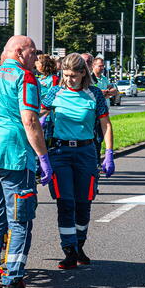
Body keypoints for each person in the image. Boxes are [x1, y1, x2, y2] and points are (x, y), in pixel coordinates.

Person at [0, 35, 53, 288]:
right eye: (32, 53)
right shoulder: (25, 78)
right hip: (13, 156)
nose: (35, 58)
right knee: (20, 222)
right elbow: (30, 120)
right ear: (20, 52)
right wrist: (43, 157)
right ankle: (13, 282)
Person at [41, 53, 115, 269]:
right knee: (65, 202)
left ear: (84, 73)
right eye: (65, 75)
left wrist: (109, 153)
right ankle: (69, 249)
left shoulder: (94, 95)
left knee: (84, 203)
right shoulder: (55, 92)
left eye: (73, 75)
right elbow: (35, 115)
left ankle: (79, 244)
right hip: (61, 152)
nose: (69, 80)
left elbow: (106, 124)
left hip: (86, 153)